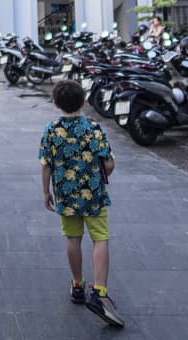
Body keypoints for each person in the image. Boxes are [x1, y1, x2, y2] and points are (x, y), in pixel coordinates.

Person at [39, 79, 124, 327]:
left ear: (56, 104)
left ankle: (77, 285)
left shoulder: (51, 130)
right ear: (84, 101)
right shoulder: (93, 128)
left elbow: (45, 165)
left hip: (66, 195)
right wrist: (106, 170)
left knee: (73, 239)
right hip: (93, 194)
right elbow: (108, 163)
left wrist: (45, 192)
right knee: (100, 238)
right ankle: (100, 292)